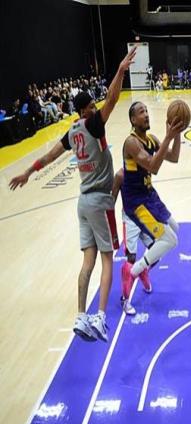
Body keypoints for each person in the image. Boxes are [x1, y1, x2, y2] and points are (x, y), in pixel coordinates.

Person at [9, 47, 138, 342]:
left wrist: (28, 172)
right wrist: (120, 70)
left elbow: (51, 156)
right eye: (92, 105)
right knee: (108, 259)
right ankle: (101, 318)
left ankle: (81, 316)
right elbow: (113, 99)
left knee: (87, 262)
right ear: (84, 111)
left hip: (83, 204)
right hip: (100, 201)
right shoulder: (93, 123)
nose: (95, 107)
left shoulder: (72, 132)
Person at [121, 101, 185, 298]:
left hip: (149, 195)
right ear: (133, 120)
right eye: (142, 112)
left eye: (147, 111)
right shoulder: (131, 143)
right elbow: (153, 167)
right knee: (170, 240)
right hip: (136, 202)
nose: (147, 114)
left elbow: (174, 157)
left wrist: (177, 134)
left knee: (174, 228)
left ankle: (143, 267)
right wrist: (168, 137)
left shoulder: (151, 139)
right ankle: (134, 271)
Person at [112, 168, 154, 316]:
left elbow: (149, 193)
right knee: (131, 259)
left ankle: (142, 269)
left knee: (157, 249)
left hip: (145, 216)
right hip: (130, 220)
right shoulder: (120, 175)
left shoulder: (145, 168)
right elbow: (111, 201)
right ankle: (125, 299)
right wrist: (111, 229)